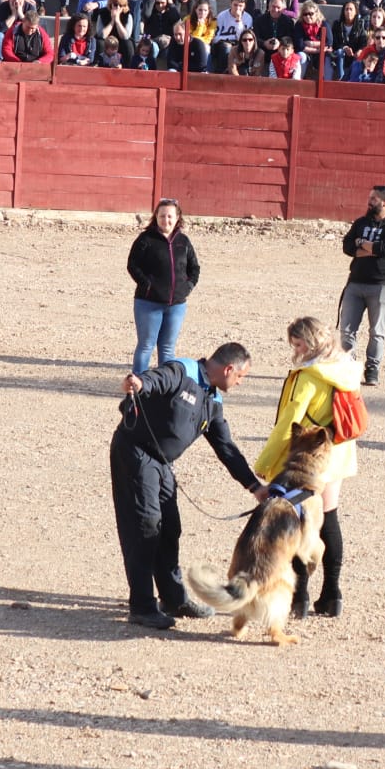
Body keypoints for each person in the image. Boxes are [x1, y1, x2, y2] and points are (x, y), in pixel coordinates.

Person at [112, 344, 263, 629]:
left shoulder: (213, 400)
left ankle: (173, 598)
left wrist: (255, 487)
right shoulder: (183, 371)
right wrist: (140, 382)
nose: (240, 383)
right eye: (241, 377)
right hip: (135, 452)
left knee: (169, 527)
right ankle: (142, 606)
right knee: (145, 525)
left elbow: (226, 448)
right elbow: (157, 380)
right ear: (229, 369)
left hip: (162, 462)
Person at [252, 316, 364, 619]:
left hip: (305, 458)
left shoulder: (309, 376)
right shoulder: (346, 369)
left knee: (299, 520)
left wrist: (265, 463)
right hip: (336, 453)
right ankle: (332, 594)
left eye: (299, 343)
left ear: (312, 342)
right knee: (328, 518)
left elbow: (290, 422)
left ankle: (299, 596)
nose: (296, 350)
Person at [339, 185, 385, 388]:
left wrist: (363, 244)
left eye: (374, 199)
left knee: (377, 331)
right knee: (347, 330)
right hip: (355, 283)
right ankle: (348, 368)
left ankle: (372, 370)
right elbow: (348, 247)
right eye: (370, 198)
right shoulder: (361, 222)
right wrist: (371, 249)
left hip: (381, 286)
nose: (370, 202)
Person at [127, 198, 200, 376]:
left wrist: (187, 287)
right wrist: (147, 284)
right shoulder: (146, 239)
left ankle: (163, 386)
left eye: (169, 216)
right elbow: (132, 265)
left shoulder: (183, 241)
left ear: (177, 218)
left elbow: (194, 268)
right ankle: (139, 386)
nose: (165, 220)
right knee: (146, 346)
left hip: (176, 305)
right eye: (162, 216)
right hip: (148, 303)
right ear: (156, 217)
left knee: (167, 349)